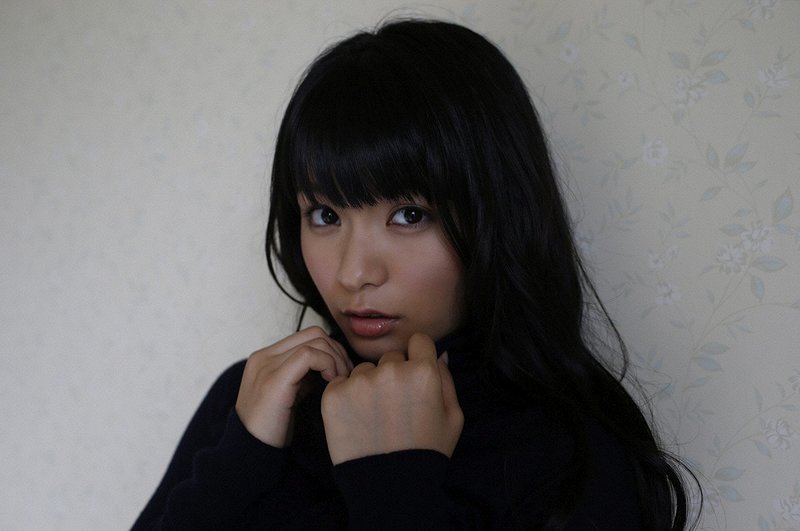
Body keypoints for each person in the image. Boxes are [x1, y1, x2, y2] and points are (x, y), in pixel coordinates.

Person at [133, 18, 698, 530]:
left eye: (409, 215)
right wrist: (241, 457)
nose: (354, 272)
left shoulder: (573, 455)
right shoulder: (255, 400)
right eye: (325, 215)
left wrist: (393, 489)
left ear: (495, 215)